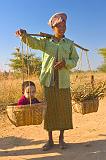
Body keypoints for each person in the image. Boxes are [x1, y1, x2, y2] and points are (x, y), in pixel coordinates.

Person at [16, 12, 79, 150]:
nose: (62, 28)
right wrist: (24, 35)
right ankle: (50, 140)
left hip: (63, 83)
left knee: (63, 110)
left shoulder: (69, 44)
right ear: (53, 28)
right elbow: (33, 43)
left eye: (64, 26)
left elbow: (75, 60)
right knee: (49, 111)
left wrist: (65, 63)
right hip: (49, 82)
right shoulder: (46, 42)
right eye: (59, 26)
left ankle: (61, 139)